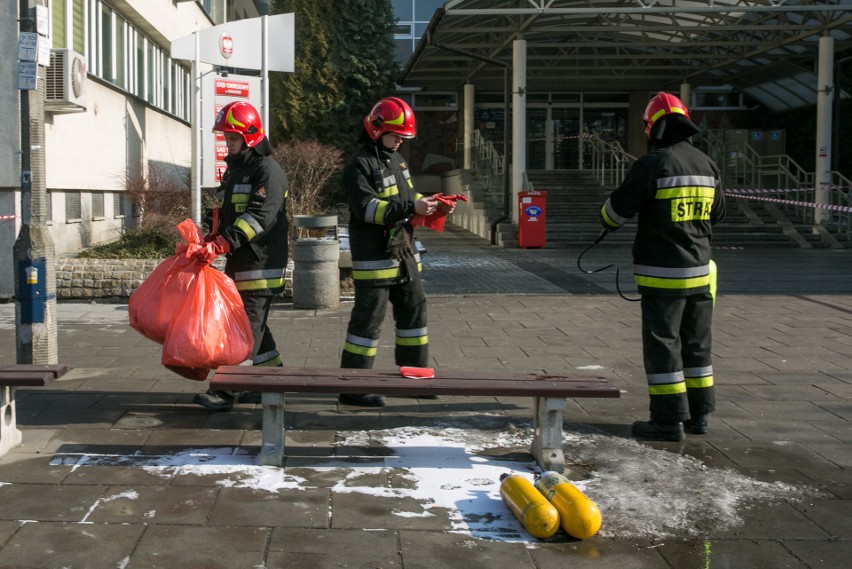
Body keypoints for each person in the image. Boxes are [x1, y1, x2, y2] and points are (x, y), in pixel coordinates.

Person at [599, 91, 725, 441]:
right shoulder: (706, 163)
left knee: (663, 344)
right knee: (697, 344)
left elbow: (615, 213)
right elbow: (718, 214)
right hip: (700, 271)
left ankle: (667, 421)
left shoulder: (653, 164)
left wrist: (607, 216)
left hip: (663, 274)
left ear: (652, 126)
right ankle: (699, 416)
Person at [338, 96, 447, 407]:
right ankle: (352, 387)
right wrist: (411, 206)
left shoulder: (395, 160)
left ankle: (414, 380)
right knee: (367, 323)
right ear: (376, 130)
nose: (400, 141)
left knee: (415, 311)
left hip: (402, 255)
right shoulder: (361, 164)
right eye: (395, 135)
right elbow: (366, 209)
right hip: (375, 258)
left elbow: (409, 195)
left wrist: (432, 203)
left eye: (403, 137)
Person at [192, 100, 288, 411]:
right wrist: (212, 232)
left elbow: (258, 217)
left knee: (243, 330)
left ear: (250, 136)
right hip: (242, 261)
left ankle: (226, 391)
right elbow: (227, 211)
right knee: (256, 328)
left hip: (260, 264)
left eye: (232, 139)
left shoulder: (267, 171)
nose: (227, 144)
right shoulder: (238, 169)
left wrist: (222, 243)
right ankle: (272, 378)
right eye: (226, 138)